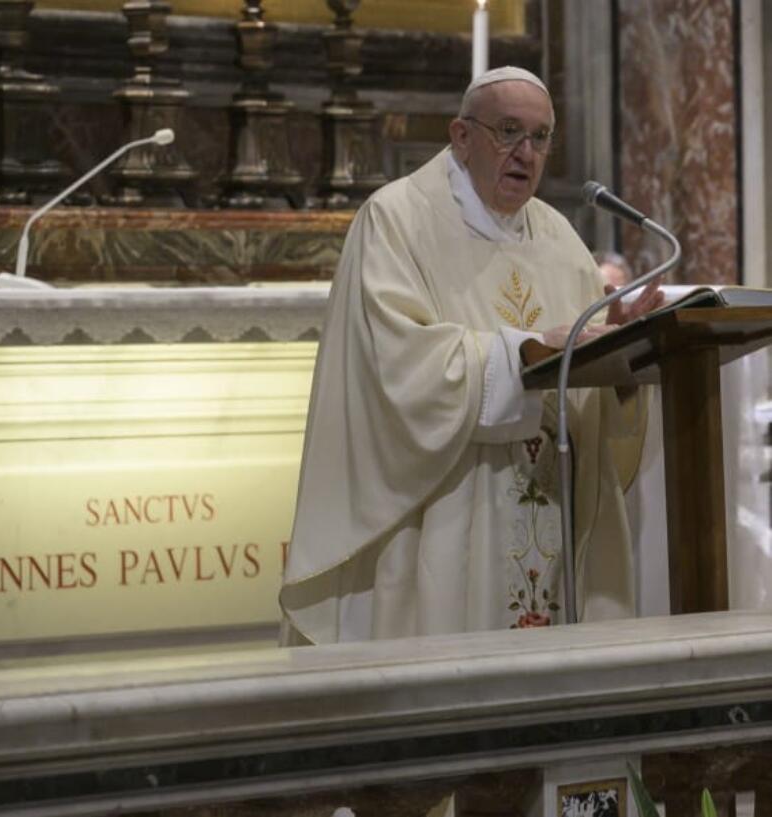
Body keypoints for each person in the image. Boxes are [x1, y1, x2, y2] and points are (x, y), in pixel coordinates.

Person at [280, 67, 662, 645]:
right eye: (508, 132)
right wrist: (526, 353)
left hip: (549, 509)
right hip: (449, 512)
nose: (526, 153)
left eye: (540, 137)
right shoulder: (396, 219)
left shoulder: (560, 239)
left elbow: (590, 382)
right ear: (460, 136)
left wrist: (622, 352)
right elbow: (394, 368)